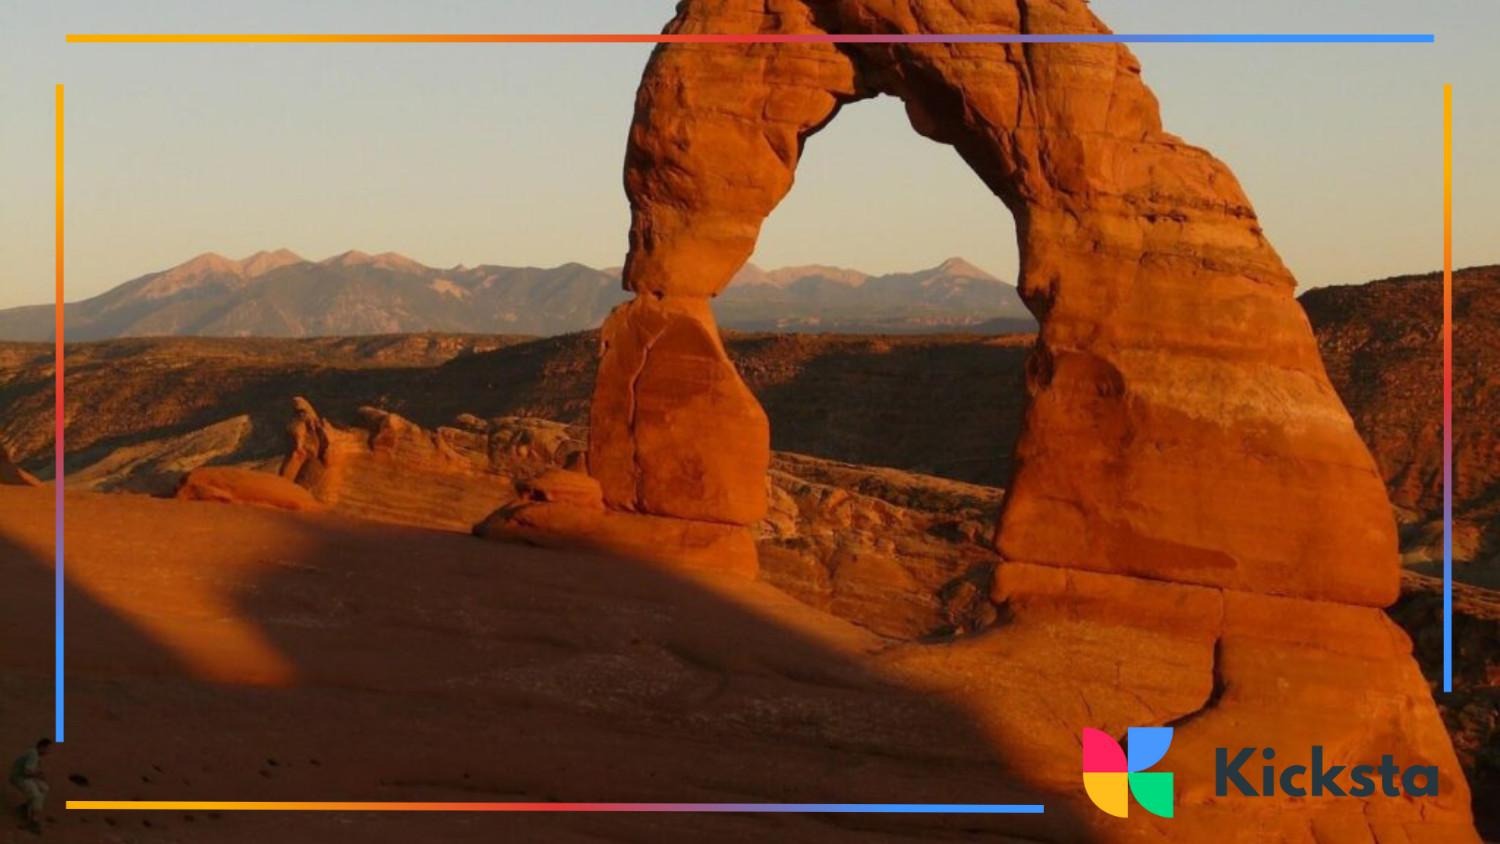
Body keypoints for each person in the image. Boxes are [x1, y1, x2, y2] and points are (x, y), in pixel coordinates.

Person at [9, 738, 51, 834]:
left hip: (26, 777)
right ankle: (33, 821)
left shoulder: (35, 754)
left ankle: (26, 807)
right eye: (47, 749)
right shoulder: (33, 754)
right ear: (42, 747)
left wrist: (39, 774)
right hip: (19, 777)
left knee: (45, 788)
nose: (48, 752)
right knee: (37, 796)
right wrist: (38, 775)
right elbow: (27, 771)